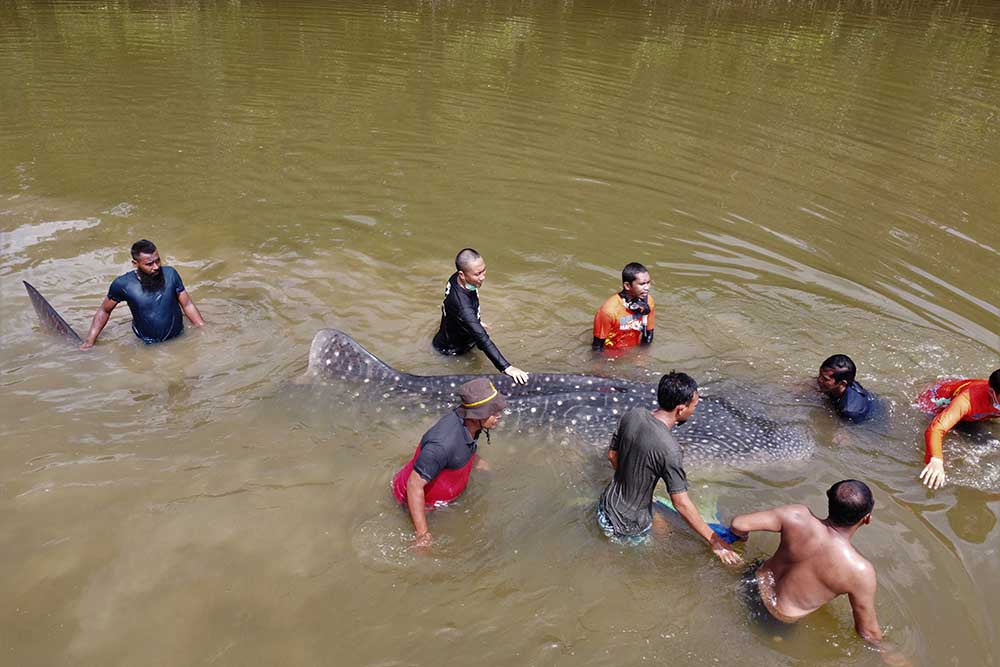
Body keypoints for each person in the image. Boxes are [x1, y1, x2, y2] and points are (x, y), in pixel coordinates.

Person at [729, 480, 900, 658]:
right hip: (775, 621)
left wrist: (741, 542)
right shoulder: (859, 571)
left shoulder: (797, 515)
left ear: (828, 498)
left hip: (750, 581)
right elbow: (868, 633)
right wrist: (892, 654)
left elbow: (739, 524)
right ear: (867, 518)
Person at [597, 371, 741, 564]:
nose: (694, 411)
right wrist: (715, 541)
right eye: (694, 406)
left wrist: (631, 481)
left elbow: (612, 455)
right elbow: (681, 503)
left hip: (605, 507)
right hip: (629, 528)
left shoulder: (633, 414)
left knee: (661, 527)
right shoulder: (670, 449)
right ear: (680, 409)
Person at [392, 378, 507, 547]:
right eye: (493, 411)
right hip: (415, 503)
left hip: (448, 493)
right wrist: (423, 535)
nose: (499, 415)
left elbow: (462, 448)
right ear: (477, 416)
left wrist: (479, 463)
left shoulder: (471, 424)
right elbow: (414, 485)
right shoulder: (441, 445)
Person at [80, 239, 205, 349]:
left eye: (158, 261)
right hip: (146, 344)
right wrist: (89, 341)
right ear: (135, 263)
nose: (156, 267)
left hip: (179, 338)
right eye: (149, 264)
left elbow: (187, 304)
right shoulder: (123, 284)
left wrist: (203, 328)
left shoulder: (171, 274)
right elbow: (104, 310)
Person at [431, 248, 529, 385]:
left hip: (454, 330)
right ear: (462, 274)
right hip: (453, 349)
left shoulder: (457, 279)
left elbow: (452, 308)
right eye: (477, 274)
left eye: (484, 270)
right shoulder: (463, 308)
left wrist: (475, 321)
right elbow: (483, 339)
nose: (482, 277)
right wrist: (507, 367)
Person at [916, 369, 1000, 489]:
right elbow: (937, 428)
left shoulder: (997, 398)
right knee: (990, 444)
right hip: (937, 405)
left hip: (979, 413)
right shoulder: (967, 401)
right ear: (992, 392)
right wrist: (936, 459)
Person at [592, 262, 655, 353]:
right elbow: (597, 348)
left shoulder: (649, 301)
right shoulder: (608, 311)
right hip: (609, 354)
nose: (647, 287)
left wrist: (642, 357)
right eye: (642, 284)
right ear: (627, 286)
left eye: (648, 283)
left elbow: (648, 335)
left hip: (632, 352)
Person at [816, 354, 878, 422]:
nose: (819, 380)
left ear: (842, 384)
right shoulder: (839, 382)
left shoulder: (849, 412)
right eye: (820, 375)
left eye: (825, 379)